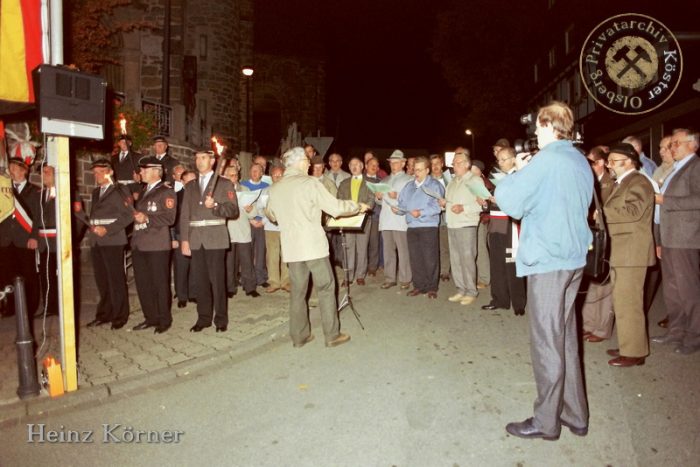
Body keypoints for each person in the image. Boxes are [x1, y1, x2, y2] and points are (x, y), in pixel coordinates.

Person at [496, 101, 592, 440]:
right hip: (573, 258)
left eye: (538, 126)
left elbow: (510, 203)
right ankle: (575, 414)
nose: (534, 132)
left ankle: (546, 422)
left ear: (551, 126)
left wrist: (514, 173)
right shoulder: (578, 159)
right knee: (565, 339)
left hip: (549, 262)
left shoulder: (546, 160)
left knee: (546, 343)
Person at [265, 147, 369, 348]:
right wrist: (357, 206)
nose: (309, 164)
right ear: (299, 163)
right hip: (313, 247)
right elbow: (336, 208)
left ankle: (299, 336)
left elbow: (271, 215)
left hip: (292, 249)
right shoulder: (309, 183)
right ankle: (332, 335)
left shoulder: (276, 188)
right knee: (326, 287)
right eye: (306, 160)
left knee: (297, 291)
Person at [603, 143, 655, 366]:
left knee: (629, 303)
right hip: (623, 251)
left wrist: (602, 212)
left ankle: (634, 353)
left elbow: (633, 212)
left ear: (629, 162)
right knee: (623, 301)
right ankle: (629, 344)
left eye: (613, 161)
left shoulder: (639, 182)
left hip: (631, 253)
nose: (609, 165)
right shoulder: (623, 182)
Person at [652, 128, 700, 355]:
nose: (672, 148)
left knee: (688, 290)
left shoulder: (696, 166)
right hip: (670, 238)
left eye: (677, 143)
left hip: (685, 239)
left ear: (693, 145)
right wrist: (659, 239)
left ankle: (694, 336)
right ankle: (676, 331)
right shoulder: (676, 169)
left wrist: (664, 199)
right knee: (672, 291)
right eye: (672, 144)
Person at [180, 150, 238, 333]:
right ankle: (203, 318)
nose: (199, 161)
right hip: (196, 239)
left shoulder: (224, 183)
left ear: (213, 161)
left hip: (215, 238)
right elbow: (184, 216)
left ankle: (220, 320)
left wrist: (215, 205)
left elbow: (233, 210)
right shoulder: (190, 186)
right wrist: (184, 240)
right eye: (197, 158)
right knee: (200, 281)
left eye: (203, 158)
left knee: (217, 281)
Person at [130, 157, 177, 334]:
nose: (140, 172)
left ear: (156, 171)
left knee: (159, 283)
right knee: (143, 284)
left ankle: (164, 319)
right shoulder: (143, 191)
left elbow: (170, 218)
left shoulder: (166, 191)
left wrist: (148, 218)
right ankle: (150, 317)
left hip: (157, 245)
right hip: (139, 243)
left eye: (144, 169)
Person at [85, 159, 134, 329]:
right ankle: (104, 313)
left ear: (110, 172)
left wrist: (108, 229)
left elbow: (129, 215)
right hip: (97, 240)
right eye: (95, 173)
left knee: (116, 279)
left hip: (113, 239)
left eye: (100, 171)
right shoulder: (96, 192)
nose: (97, 175)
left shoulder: (120, 189)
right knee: (102, 280)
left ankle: (120, 315)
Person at [481, 147, 526, 316]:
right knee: (497, 262)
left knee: (512, 261)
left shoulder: (520, 176)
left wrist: (500, 199)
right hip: (496, 222)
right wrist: (487, 202)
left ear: (514, 159)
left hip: (511, 223)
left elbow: (520, 200)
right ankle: (500, 299)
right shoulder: (497, 179)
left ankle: (518, 302)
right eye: (498, 160)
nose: (500, 163)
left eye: (504, 159)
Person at [439, 151, 483, 306]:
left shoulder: (475, 180)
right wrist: (444, 204)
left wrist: (464, 208)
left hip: (466, 224)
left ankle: (471, 291)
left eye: (458, 163)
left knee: (467, 259)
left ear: (467, 164)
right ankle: (461, 289)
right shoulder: (451, 182)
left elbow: (482, 204)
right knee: (456, 260)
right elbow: (450, 202)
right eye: (453, 163)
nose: (454, 166)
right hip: (452, 224)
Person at [581, 146, 615, 343]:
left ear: (600, 163)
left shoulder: (610, 184)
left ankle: (602, 329)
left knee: (604, 285)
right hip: (593, 237)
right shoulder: (591, 182)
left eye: (591, 163)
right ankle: (589, 323)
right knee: (593, 281)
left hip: (607, 239)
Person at [398, 156, 444, 299]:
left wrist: (421, 213)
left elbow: (437, 206)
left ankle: (431, 287)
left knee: (430, 258)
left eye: (419, 170)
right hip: (412, 226)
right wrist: (398, 209)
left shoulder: (435, 185)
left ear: (427, 170)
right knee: (415, 258)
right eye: (414, 169)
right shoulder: (409, 186)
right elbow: (402, 203)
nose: (416, 172)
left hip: (428, 226)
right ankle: (419, 285)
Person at [0, 157, 40, 318]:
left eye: (13, 168)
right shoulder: (4, 190)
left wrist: (34, 236)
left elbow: (38, 217)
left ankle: (29, 309)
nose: (10, 171)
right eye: (9, 168)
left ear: (24, 170)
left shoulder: (35, 191)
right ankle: (9, 307)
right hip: (5, 239)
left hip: (25, 239)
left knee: (28, 275)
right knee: (6, 274)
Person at [377, 150, 412, 289]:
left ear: (403, 163)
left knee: (403, 251)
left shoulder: (409, 180)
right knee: (388, 251)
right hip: (386, 220)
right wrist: (378, 197)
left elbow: (411, 200)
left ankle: (405, 279)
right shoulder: (384, 180)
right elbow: (379, 202)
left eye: (396, 162)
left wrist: (397, 196)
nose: (393, 165)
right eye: (391, 162)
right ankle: (390, 278)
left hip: (400, 220)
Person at [337, 157, 375, 286]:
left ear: (362, 167)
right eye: (352, 165)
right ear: (349, 167)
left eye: (357, 165)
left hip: (364, 219)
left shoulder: (369, 182)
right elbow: (339, 200)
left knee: (362, 248)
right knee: (348, 248)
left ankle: (360, 275)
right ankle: (348, 276)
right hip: (348, 219)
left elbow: (371, 199)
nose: (354, 167)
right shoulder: (343, 183)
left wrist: (365, 208)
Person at [223, 165, 259, 298]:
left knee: (247, 261)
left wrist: (251, 210)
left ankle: (250, 287)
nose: (234, 178)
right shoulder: (222, 190)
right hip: (229, 231)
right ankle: (230, 288)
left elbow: (254, 212)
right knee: (229, 262)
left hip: (243, 231)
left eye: (236, 175)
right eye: (231, 175)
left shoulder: (246, 189)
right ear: (225, 176)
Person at [241, 163, 270, 287]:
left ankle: (261, 278)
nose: (254, 173)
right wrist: (250, 220)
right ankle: (248, 278)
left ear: (262, 173)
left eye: (257, 171)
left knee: (261, 251)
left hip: (262, 222)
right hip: (247, 222)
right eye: (252, 171)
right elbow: (240, 205)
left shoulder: (267, 187)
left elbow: (268, 206)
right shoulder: (243, 186)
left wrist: (262, 220)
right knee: (248, 251)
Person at [262, 165, 290, 293]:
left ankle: (286, 281)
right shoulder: (266, 191)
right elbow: (260, 208)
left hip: (286, 226)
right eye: (275, 175)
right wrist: (263, 220)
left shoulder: (289, 190)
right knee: (272, 254)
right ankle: (273, 281)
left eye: (280, 175)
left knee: (286, 254)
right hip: (270, 227)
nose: (277, 178)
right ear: (271, 176)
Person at [430, 153, 451, 282]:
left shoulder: (449, 178)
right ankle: (433, 271)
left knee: (444, 245)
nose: (435, 166)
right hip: (431, 216)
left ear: (442, 164)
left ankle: (444, 271)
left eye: (438, 163)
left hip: (446, 216)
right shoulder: (427, 180)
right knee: (432, 246)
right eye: (432, 164)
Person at [364, 157, 383, 276]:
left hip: (375, 216)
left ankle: (372, 268)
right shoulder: (360, 180)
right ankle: (361, 266)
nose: (374, 167)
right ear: (366, 166)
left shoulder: (381, 182)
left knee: (374, 243)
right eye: (371, 164)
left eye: (376, 165)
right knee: (361, 244)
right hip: (361, 217)